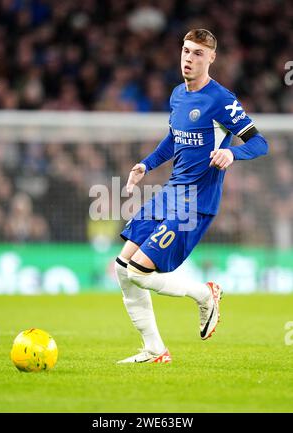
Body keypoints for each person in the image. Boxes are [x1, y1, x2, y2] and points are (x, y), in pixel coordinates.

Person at [115, 29, 268, 364]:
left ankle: (205, 294)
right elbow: (174, 138)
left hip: (196, 203)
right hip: (170, 193)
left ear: (211, 58)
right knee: (121, 267)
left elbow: (260, 142)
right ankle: (155, 350)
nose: (189, 58)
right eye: (186, 50)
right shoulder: (177, 95)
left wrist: (233, 154)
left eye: (198, 53)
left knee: (140, 272)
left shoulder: (221, 100)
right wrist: (145, 164)